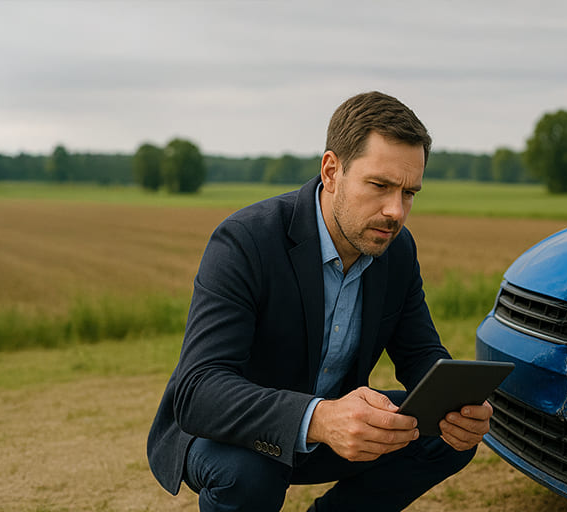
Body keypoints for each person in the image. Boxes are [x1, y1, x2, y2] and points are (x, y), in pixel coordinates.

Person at [147, 91, 493, 512]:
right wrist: (318, 418)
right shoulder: (245, 241)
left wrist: (457, 406)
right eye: (380, 186)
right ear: (332, 171)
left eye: (409, 193)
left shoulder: (396, 250)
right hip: (228, 436)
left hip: (336, 431)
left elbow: (420, 353)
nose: (396, 211)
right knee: (251, 474)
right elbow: (197, 391)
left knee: (441, 435)